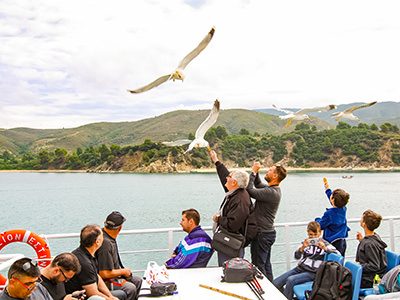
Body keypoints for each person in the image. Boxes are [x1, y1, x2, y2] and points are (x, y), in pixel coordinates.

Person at [209, 150, 255, 266]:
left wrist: (218, 219)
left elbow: (233, 224)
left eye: (229, 176)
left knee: (230, 269)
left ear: (234, 182)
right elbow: (224, 176)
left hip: (231, 244)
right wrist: (216, 161)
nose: (226, 178)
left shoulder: (240, 200)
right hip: (228, 241)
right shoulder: (235, 193)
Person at [273, 221, 340, 300]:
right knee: (275, 283)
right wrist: (302, 248)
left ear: (320, 233)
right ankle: (286, 296)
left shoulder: (325, 244)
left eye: (316, 235)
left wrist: (325, 248)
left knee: (291, 280)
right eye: (311, 235)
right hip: (299, 269)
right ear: (308, 233)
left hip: (313, 273)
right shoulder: (305, 243)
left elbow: (337, 255)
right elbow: (296, 257)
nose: (313, 237)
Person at [246, 161, 287, 281]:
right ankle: (272, 289)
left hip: (262, 234)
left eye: (270, 170)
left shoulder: (271, 193)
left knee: (259, 266)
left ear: (275, 176)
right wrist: (256, 172)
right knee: (266, 265)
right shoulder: (272, 190)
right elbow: (257, 184)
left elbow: (250, 190)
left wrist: (253, 172)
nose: (267, 171)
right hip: (266, 234)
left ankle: (265, 291)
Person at [65, 224, 126, 300]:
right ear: (97, 242)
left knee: (121, 294)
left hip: (91, 291)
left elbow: (97, 276)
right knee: (122, 294)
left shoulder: (87, 254)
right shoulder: (84, 263)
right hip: (83, 297)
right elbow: (92, 293)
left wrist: (110, 296)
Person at [95, 212, 142, 300]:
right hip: (105, 281)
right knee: (130, 289)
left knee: (138, 280)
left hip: (114, 275)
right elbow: (104, 273)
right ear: (120, 228)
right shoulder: (105, 244)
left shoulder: (106, 236)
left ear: (105, 223)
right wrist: (123, 272)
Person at [315, 178, 350, 256]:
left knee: (331, 261)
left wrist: (317, 219)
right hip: (342, 241)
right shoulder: (343, 208)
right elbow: (335, 202)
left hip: (332, 242)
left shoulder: (329, 214)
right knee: (340, 259)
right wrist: (327, 189)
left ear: (333, 200)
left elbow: (320, 226)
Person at [356, 209, 388, 288]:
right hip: (370, 276)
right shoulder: (374, 237)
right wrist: (362, 241)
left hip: (369, 279)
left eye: (362, 218)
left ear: (364, 224)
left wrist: (359, 265)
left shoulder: (369, 244)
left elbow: (374, 266)